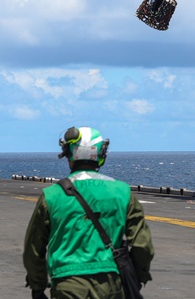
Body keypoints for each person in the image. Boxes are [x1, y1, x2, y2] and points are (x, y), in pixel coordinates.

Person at [24, 126, 154, 299]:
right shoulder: (122, 192)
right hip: (110, 286)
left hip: (68, 286)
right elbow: (142, 245)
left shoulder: (52, 195)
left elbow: (33, 249)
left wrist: (37, 287)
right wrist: (136, 279)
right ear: (100, 154)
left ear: (69, 155)